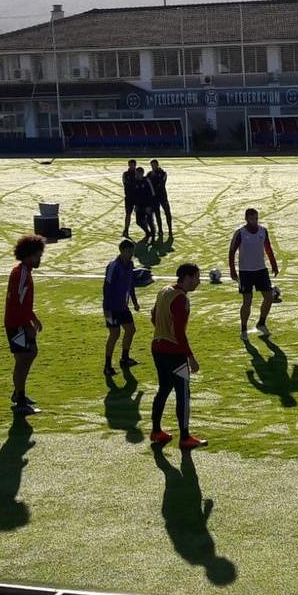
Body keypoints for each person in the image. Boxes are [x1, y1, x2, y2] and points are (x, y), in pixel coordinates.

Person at [150, 263, 207, 450]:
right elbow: (180, 333)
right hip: (174, 353)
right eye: (197, 277)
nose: (198, 282)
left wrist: (163, 328)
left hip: (157, 347)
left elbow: (153, 315)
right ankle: (185, 437)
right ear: (188, 278)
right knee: (183, 393)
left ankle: (156, 431)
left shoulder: (164, 291)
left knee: (164, 389)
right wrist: (190, 357)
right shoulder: (181, 300)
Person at [5, 234, 46, 416]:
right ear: (29, 255)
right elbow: (17, 302)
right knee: (23, 359)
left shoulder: (23, 272)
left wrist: (33, 318)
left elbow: (23, 303)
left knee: (28, 355)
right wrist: (28, 323)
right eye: (38, 255)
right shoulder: (21, 274)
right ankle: (19, 397)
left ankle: (19, 392)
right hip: (16, 324)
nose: (39, 259)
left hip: (18, 321)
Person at [228, 208, 279, 341]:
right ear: (246, 219)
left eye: (256, 218)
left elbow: (268, 248)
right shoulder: (240, 233)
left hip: (261, 270)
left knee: (268, 298)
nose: (254, 221)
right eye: (252, 219)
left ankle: (261, 322)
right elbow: (232, 251)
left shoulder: (263, 231)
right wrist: (232, 270)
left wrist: (273, 264)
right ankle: (243, 328)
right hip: (246, 272)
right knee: (247, 302)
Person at [103, 239, 141, 377]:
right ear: (123, 251)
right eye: (130, 251)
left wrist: (135, 302)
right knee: (114, 334)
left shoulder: (130, 265)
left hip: (123, 307)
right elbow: (107, 287)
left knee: (131, 330)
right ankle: (107, 366)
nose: (132, 254)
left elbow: (131, 284)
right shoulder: (113, 266)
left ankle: (124, 358)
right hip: (111, 307)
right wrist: (107, 309)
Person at [149, 159, 173, 241]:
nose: (153, 167)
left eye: (154, 165)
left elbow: (161, 184)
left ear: (157, 165)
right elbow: (148, 184)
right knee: (157, 214)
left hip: (162, 196)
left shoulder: (163, 173)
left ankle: (170, 229)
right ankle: (160, 230)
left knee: (167, 213)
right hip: (154, 197)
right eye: (152, 165)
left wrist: (154, 176)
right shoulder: (149, 174)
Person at [121, 159, 139, 239]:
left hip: (138, 197)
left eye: (133, 165)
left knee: (141, 215)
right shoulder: (125, 174)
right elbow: (125, 184)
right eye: (130, 165)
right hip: (129, 197)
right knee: (128, 214)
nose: (131, 166)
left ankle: (147, 230)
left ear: (135, 165)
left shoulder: (138, 173)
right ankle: (126, 230)